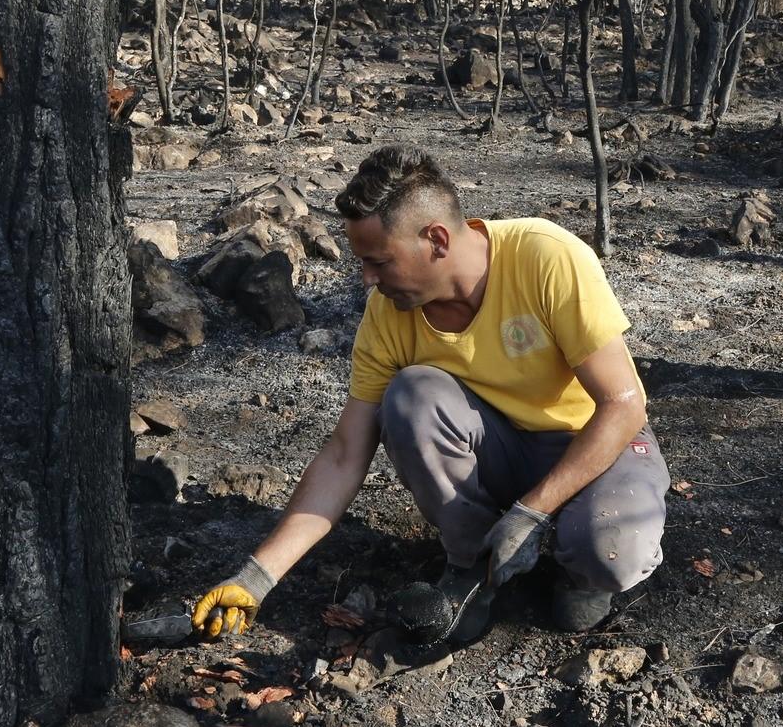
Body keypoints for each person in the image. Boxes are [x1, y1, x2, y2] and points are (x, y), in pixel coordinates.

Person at [190, 145, 668, 641]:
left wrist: (531, 512)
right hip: (500, 448)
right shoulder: (388, 314)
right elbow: (344, 455)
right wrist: (257, 576)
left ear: (436, 240)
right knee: (410, 396)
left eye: (378, 262)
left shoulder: (543, 256)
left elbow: (623, 403)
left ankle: (581, 576)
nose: (368, 280)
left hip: (592, 442)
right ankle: (471, 566)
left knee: (610, 552)